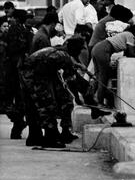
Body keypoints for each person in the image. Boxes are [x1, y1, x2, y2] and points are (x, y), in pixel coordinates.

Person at [20, 37, 85, 147]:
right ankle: (50, 137)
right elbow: (73, 81)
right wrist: (79, 98)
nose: (79, 53)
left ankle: (35, 136)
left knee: (36, 106)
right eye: (79, 50)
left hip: (30, 74)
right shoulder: (63, 56)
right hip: (33, 77)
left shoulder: (57, 51)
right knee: (47, 104)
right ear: (74, 49)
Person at [91, 23, 135, 107]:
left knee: (98, 75)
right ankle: (99, 101)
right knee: (103, 76)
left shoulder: (126, 34)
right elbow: (131, 54)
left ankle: (89, 98)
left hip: (97, 48)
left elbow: (127, 52)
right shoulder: (130, 36)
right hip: (103, 50)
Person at [4, 9, 31, 139]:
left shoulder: (14, 30)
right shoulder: (27, 31)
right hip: (20, 70)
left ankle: (18, 124)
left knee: (8, 100)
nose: (10, 19)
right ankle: (18, 125)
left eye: (12, 17)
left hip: (12, 70)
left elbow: (13, 49)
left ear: (17, 19)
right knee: (19, 100)